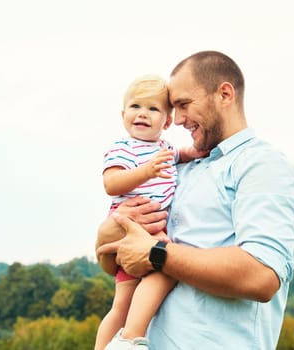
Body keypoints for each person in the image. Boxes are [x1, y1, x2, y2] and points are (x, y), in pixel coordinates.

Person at [97, 51, 294, 349]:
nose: (179, 119)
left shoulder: (262, 166)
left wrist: (158, 253)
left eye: (184, 105)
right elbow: (125, 263)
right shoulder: (177, 169)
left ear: (224, 94)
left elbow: (261, 276)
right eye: (174, 108)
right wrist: (106, 238)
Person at [94, 74, 204, 350]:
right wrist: (146, 171)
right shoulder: (123, 148)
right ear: (123, 114)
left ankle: (131, 336)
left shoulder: (166, 149)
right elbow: (111, 184)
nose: (142, 114)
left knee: (154, 278)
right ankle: (128, 341)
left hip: (154, 230)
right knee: (125, 300)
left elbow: (186, 153)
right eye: (135, 107)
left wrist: (202, 151)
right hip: (130, 227)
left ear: (167, 122)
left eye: (153, 109)